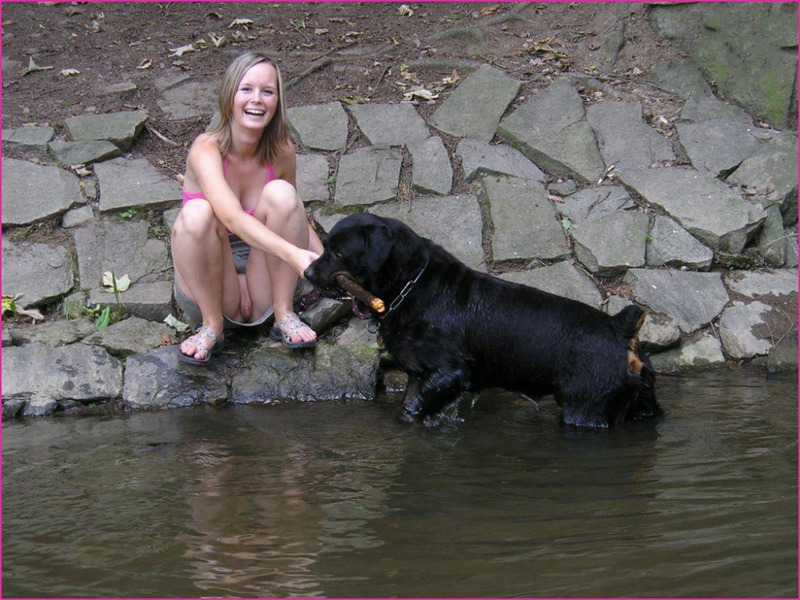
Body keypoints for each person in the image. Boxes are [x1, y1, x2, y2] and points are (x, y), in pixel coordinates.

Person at [171, 51, 323, 364]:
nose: (257, 100)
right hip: (210, 280)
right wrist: (293, 254)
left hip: (264, 278)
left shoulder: (281, 151)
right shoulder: (206, 148)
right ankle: (212, 327)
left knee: (282, 193)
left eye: (267, 92)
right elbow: (231, 218)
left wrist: (325, 264)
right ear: (230, 95)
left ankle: (284, 315)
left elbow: (293, 213)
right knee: (198, 214)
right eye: (247, 89)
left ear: (277, 101)